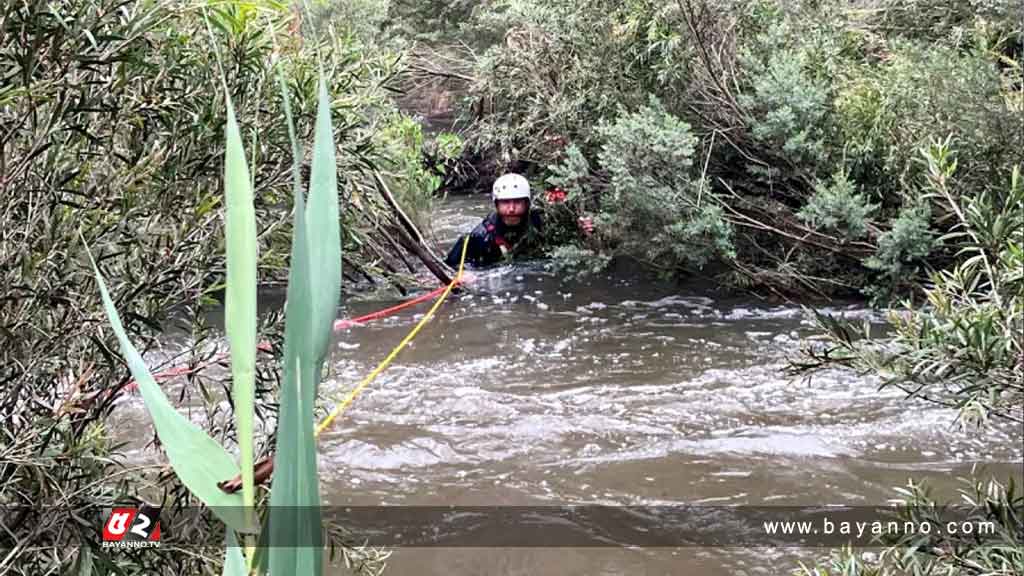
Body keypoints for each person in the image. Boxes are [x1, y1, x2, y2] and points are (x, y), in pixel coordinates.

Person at [444, 173, 593, 272]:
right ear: (496, 204)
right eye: (505, 203)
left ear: (527, 203)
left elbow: (569, 237)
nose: (511, 209)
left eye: (517, 202)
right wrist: (465, 274)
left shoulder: (541, 221)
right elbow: (451, 266)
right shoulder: (480, 236)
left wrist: (582, 229)